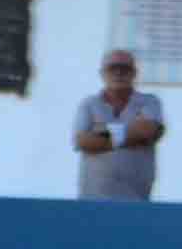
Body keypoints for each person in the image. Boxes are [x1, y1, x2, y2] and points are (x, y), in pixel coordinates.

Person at [70, 50, 166, 201]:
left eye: (125, 68)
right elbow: (82, 141)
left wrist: (101, 133)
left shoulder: (149, 102)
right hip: (91, 202)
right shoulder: (89, 104)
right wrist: (132, 133)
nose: (118, 73)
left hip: (136, 202)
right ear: (102, 73)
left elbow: (148, 131)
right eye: (112, 68)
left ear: (134, 73)